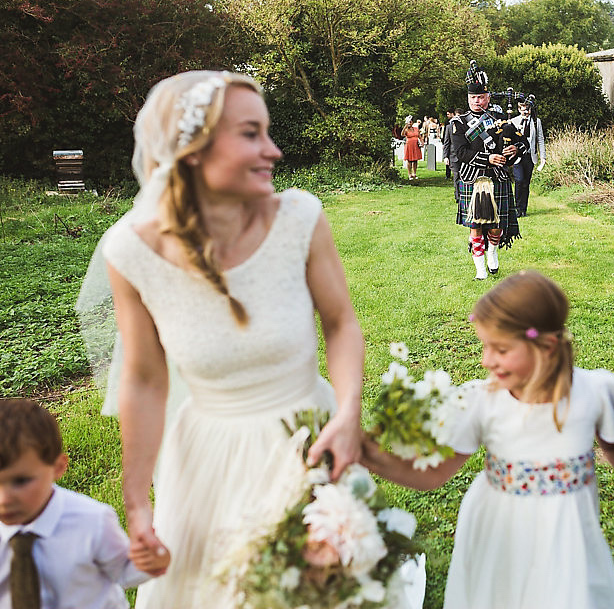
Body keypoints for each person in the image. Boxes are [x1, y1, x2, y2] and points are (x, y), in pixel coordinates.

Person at [77, 71, 366, 608]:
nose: (274, 151)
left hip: (306, 437)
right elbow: (143, 377)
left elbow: (342, 322)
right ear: (191, 150)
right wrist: (137, 500)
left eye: (268, 132)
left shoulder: (301, 218)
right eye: (252, 134)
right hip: (207, 459)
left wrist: (347, 415)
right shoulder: (131, 253)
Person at [362, 270, 614, 609]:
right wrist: (368, 455)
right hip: (500, 536)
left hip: (567, 539)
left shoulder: (596, 392)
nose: (487, 360)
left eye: (500, 349)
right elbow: (432, 474)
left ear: (545, 347)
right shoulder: (482, 401)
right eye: (485, 346)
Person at [0, 398, 169, 609]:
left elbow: (123, 571)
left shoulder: (92, 521)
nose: (4, 499)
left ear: (57, 467)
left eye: (21, 481)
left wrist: (152, 562)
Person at [450, 60, 529, 280]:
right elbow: (461, 153)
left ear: (488, 97)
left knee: (496, 226)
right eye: (473, 98)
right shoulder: (459, 123)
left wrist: (515, 148)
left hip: (498, 179)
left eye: (481, 97)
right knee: (475, 226)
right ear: (468, 99)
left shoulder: (502, 120)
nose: (477, 101)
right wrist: (488, 158)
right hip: (472, 179)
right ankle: (480, 269)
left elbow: (524, 143)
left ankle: (492, 252)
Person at [509, 97, 546, 217]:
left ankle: (523, 208)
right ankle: (517, 207)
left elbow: (540, 139)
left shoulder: (536, 121)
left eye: (527, 109)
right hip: (518, 156)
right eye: (522, 109)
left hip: (530, 156)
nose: (525, 111)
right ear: (519, 109)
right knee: (519, 180)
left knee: (525, 183)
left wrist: (543, 157)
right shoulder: (514, 121)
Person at [402, 115, 423, 180]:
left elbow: (419, 136)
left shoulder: (416, 129)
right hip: (409, 145)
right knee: (409, 160)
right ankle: (409, 174)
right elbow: (402, 134)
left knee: (415, 160)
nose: (409, 123)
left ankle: (414, 173)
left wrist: (422, 142)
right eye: (408, 122)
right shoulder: (406, 130)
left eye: (410, 122)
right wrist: (405, 126)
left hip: (416, 145)